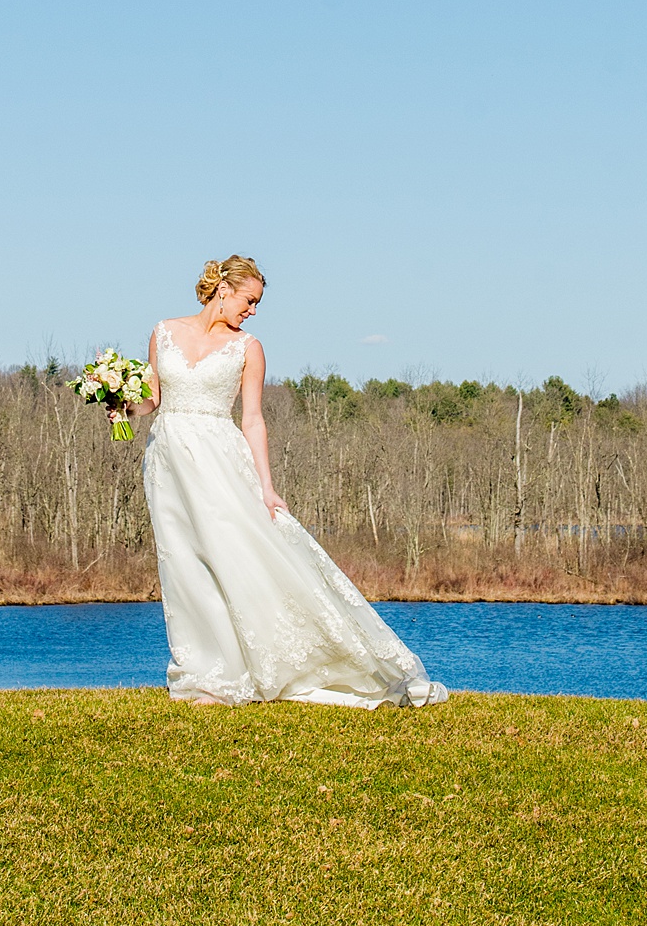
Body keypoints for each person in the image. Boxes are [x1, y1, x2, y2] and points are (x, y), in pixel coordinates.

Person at [138, 255, 447, 708]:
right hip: (166, 459)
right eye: (250, 300)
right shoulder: (164, 331)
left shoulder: (249, 347)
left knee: (237, 555)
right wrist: (121, 406)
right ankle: (207, 673)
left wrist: (266, 485)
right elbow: (151, 401)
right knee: (183, 563)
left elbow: (253, 419)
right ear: (224, 289)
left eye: (257, 304)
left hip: (219, 461)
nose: (253, 311)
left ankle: (275, 661)